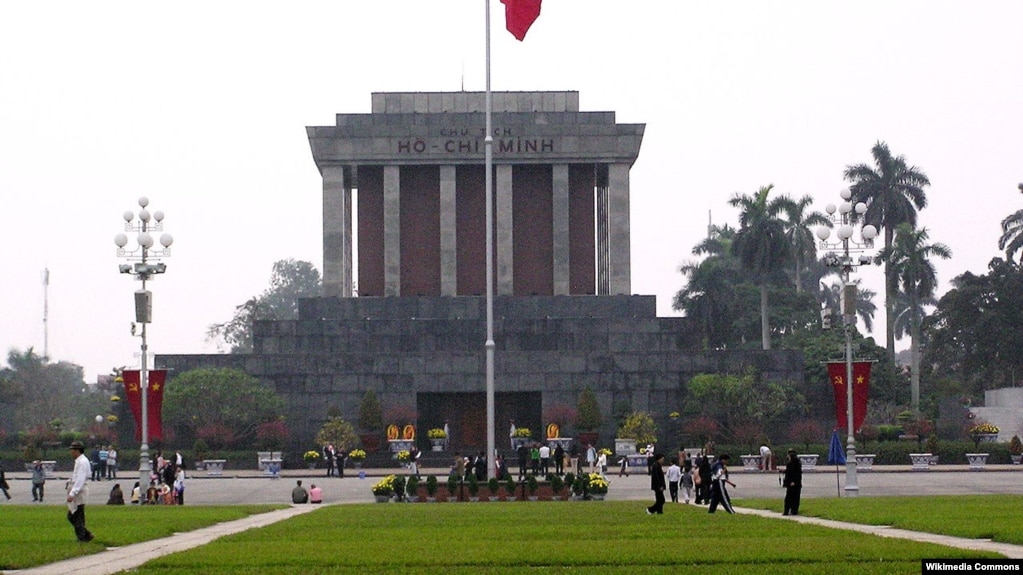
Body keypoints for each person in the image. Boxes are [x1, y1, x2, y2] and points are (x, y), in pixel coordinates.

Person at [66, 440, 95, 542]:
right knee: (75, 515)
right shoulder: (80, 461)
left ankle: (83, 536)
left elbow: (80, 479)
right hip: (77, 489)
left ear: (77, 450)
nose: (71, 452)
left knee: (75, 515)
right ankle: (85, 535)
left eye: (72, 450)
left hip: (79, 490)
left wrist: (72, 493)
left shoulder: (82, 462)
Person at [782, 449, 802, 516]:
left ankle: (791, 511)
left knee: (791, 497)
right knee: (793, 498)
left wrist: (793, 481)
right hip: (793, 483)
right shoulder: (792, 463)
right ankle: (790, 510)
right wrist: (783, 471)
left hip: (793, 483)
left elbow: (796, 474)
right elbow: (789, 471)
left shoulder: (795, 464)